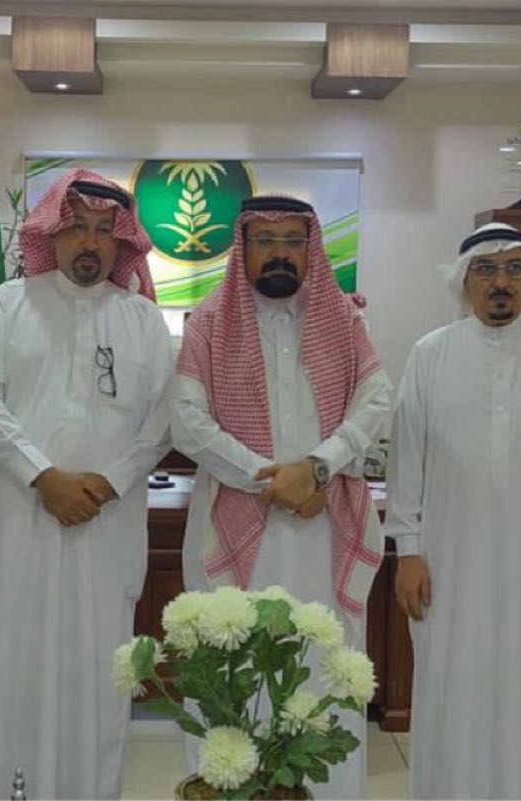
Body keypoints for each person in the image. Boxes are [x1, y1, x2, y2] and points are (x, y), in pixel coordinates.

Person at [0, 170, 173, 800]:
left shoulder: (141, 320)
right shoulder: (10, 304)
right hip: (17, 529)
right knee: (9, 670)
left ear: (121, 241)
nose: (91, 242)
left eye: (104, 230)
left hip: (103, 533)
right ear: (51, 232)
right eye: (77, 227)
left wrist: (108, 482)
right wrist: (43, 477)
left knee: (95, 675)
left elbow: (163, 421)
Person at [171, 195, 391, 799]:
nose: (280, 253)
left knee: (323, 670)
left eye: (294, 240)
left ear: (310, 248)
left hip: (324, 529)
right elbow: (186, 422)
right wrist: (272, 479)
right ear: (243, 247)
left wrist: (318, 469)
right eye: (266, 240)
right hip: (235, 527)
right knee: (234, 667)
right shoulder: (208, 324)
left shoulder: (343, 320)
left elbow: (377, 399)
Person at [386, 221, 521, 798]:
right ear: (465, 280)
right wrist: (408, 551)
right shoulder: (432, 353)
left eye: (513, 269)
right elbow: (406, 460)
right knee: (451, 684)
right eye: (486, 269)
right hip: (447, 562)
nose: (500, 282)